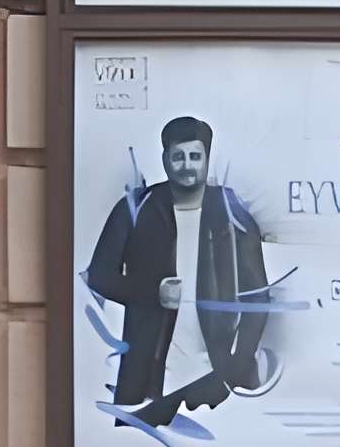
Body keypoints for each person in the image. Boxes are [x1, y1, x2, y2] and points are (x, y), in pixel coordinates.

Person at [83, 113, 274, 428]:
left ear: (207, 160)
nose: (187, 165)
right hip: (147, 377)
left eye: (195, 156)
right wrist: (150, 292)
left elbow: (258, 297)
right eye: (179, 156)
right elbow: (99, 276)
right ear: (165, 159)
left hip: (216, 382)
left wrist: (240, 363)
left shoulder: (231, 213)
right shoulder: (136, 208)